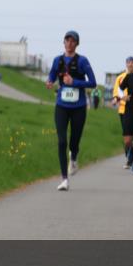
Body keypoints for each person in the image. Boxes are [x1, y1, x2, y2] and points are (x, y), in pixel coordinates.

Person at [45, 31, 97, 191]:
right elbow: (52, 75)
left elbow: (93, 83)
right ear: (64, 42)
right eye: (67, 40)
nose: (69, 43)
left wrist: (74, 82)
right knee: (62, 141)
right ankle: (64, 179)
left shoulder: (82, 61)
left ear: (77, 44)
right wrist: (50, 81)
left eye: (73, 41)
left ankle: (73, 157)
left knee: (74, 141)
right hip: (61, 105)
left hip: (79, 107)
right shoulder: (57, 60)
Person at [113, 56, 133, 168]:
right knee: (127, 137)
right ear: (126, 64)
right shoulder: (120, 78)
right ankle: (128, 152)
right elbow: (116, 93)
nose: (131, 64)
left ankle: (130, 159)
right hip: (123, 110)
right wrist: (116, 99)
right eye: (129, 62)